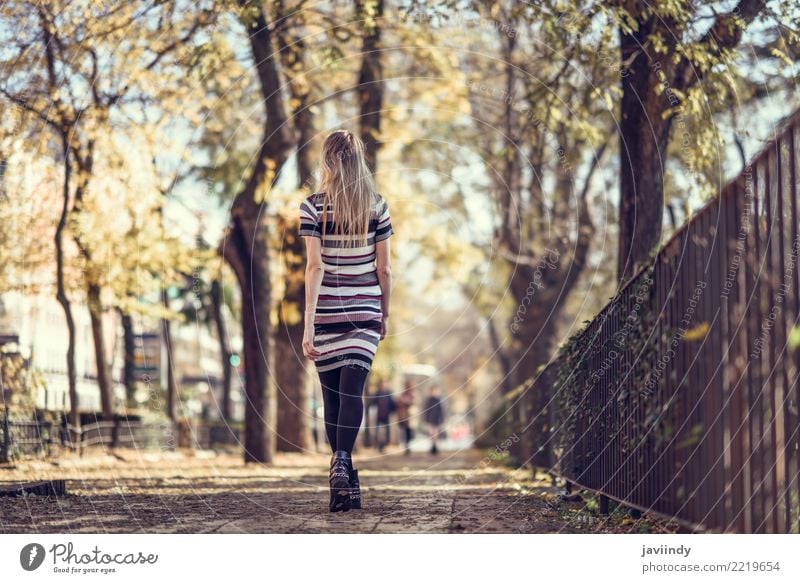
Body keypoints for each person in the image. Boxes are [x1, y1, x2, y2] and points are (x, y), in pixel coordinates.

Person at [300, 129, 394, 513]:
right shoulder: (377, 205)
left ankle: (340, 469)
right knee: (352, 392)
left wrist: (309, 326)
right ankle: (347, 476)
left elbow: (314, 267)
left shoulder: (312, 207)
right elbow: (384, 269)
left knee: (332, 399)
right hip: (365, 313)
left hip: (326, 314)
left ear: (327, 161)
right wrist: (384, 313)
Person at [372, 379, 396, 453]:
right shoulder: (377, 393)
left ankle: (383, 445)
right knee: (379, 432)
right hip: (378, 416)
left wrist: (392, 411)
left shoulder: (389, 393)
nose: (384, 386)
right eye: (383, 384)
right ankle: (379, 445)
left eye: (385, 384)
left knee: (385, 432)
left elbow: (392, 404)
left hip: (386, 416)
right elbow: (372, 403)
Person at [424, 386, 445, 455]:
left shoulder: (439, 400)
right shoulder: (429, 400)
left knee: (435, 434)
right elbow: (426, 411)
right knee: (431, 434)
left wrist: (442, 419)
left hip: (437, 420)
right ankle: (432, 446)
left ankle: (435, 446)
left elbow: (441, 411)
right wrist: (426, 419)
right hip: (430, 420)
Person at [396, 380, 415, 455]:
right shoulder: (402, 394)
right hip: (403, 416)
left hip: (409, 417)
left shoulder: (412, 394)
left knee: (408, 432)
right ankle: (405, 446)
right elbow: (398, 402)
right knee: (403, 431)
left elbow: (412, 403)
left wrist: (405, 401)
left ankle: (408, 446)